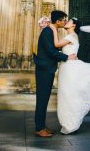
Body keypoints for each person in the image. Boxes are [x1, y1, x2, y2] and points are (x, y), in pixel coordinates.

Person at [34, 10, 77, 138]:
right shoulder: (48, 31)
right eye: (64, 20)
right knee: (42, 99)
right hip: (44, 70)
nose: (65, 22)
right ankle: (39, 128)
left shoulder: (51, 30)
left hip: (47, 69)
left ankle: (41, 125)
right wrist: (67, 57)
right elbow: (51, 52)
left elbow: (53, 48)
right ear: (58, 21)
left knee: (44, 98)